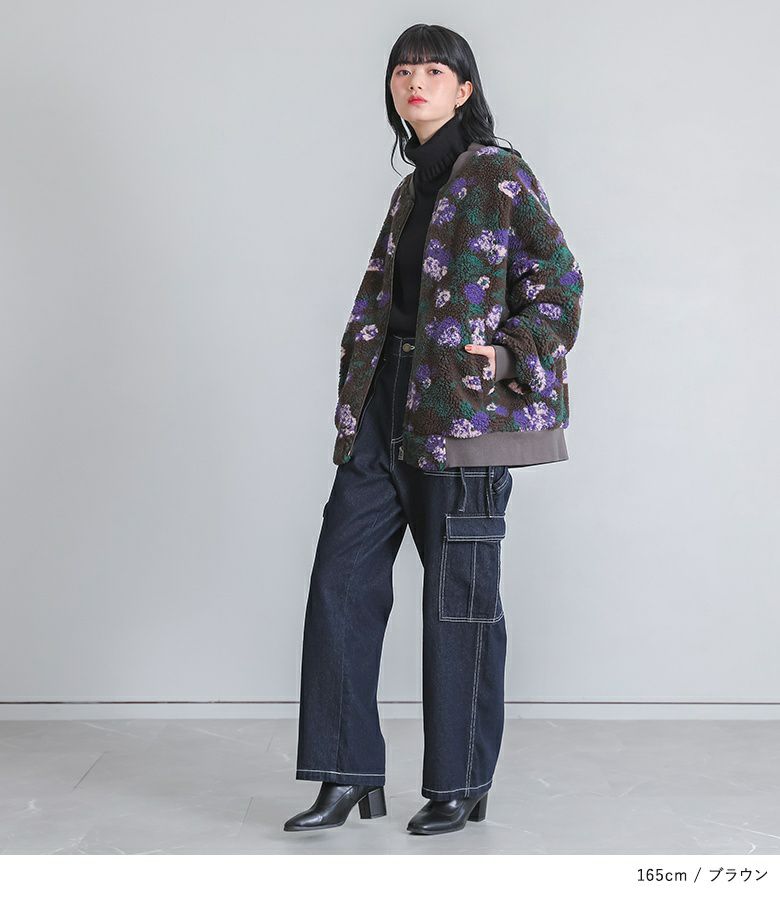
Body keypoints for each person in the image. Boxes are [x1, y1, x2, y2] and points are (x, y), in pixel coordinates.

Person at [284, 22, 584, 837]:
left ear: (464, 88)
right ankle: (345, 773)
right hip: (385, 405)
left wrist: (507, 353)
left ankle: (461, 781)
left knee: (459, 601)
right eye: (402, 71)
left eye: (433, 71)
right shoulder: (410, 190)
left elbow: (559, 282)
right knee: (341, 583)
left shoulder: (497, 173)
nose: (415, 82)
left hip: (461, 414)